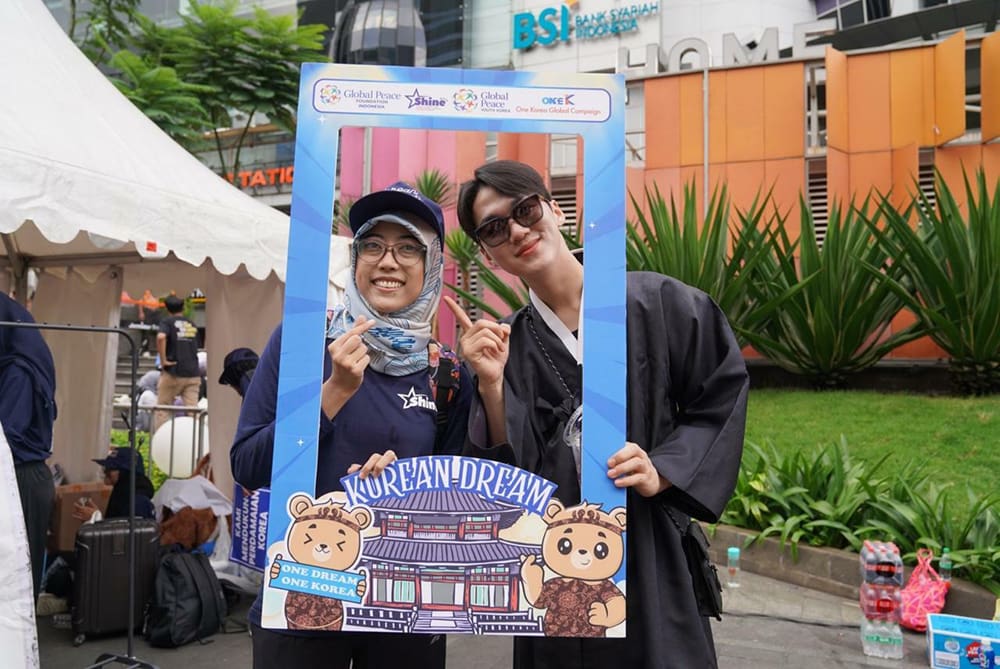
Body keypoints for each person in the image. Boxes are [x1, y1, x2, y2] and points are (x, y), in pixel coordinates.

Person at [446, 160, 749, 669]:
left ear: (555, 208)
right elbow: (498, 481)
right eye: (495, 228)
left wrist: (664, 467)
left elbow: (720, 395)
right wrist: (492, 385)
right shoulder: (502, 345)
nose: (518, 230)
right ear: (486, 252)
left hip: (653, 547)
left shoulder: (659, 302)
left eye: (525, 209)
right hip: (555, 560)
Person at [230, 181, 473, 669]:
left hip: (403, 606)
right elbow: (248, 466)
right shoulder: (300, 342)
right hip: (302, 598)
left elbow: (458, 502)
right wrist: (333, 392)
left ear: (431, 266)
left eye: (409, 247)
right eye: (373, 245)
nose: (388, 261)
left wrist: (404, 493)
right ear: (355, 258)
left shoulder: (446, 373)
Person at [0, 292, 57, 602]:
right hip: (18, 475)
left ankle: (17, 648)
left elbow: (5, 434)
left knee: (17, 577)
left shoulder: (19, 372)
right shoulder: (14, 364)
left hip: (20, 477)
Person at [73, 446, 156, 522]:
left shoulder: (139, 502)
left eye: (111, 468)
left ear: (125, 473)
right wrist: (97, 519)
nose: (106, 471)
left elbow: (126, 536)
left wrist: (97, 519)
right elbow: (116, 524)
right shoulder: (121, 493)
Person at [154, 294, 200, 433]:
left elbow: (161, 337)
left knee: (163, 408)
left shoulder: (167, 322)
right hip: (193, 373)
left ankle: (162, 443)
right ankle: (198, 445)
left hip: (173, 372)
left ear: (167, 308)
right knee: (193, 412)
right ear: (183, 307)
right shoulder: (191, 323)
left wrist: (163, 361)